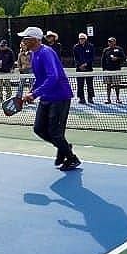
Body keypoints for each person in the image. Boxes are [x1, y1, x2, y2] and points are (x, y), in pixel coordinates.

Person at [18, 27, 80, 171]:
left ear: (34, 39)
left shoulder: (46, 53)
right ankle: (64, 147)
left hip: (60, 97)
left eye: (26, 38)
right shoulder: (34, 54)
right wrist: (32, 91)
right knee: (39, 129)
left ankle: (72, 158)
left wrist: (34, 94)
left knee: (55, 133)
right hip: (46, 97)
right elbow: (40, 78)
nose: (23, 41)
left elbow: (53, 77)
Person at [100, 37, 125, 104]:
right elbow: (103, 60)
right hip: (107, 70)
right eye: (109, 42)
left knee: (117, 85)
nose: (110, 43)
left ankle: (117, 98)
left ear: (115, 42)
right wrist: (104, 69)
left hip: (116, 70)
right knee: (108, 85)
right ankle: (108, 99)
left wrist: (117, 58)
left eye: (111, 41)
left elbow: (123, 58)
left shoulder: (119, 49)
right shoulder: (106, 50)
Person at [72, 33, 95, 104]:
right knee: (80, 85)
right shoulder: (76, 47)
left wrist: (86, 64)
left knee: (90, 84)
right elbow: (75, 58)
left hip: (89, 68)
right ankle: (81, 98)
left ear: (85, 39)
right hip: (79, 69)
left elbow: (92, 57)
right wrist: (79, 65)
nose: (81, 40)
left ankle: (90, 98)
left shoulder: (91, 46)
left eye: (82, 39)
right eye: (80, 39)